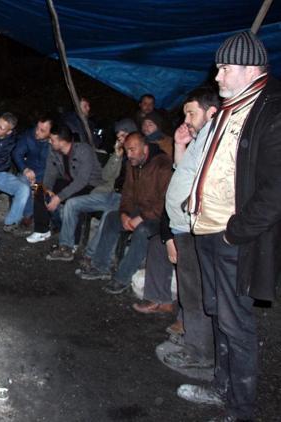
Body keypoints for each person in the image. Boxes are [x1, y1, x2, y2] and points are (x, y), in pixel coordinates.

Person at [178, 31, 281, 421]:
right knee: (218, 312)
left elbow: (275, 189)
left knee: (236, 323)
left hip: (233, 237)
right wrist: (195, 202)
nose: (217, 76)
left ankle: (241, 410)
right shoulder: (229, 108)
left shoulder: (272, 109)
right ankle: (222, 386)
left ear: (251, 68)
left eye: (225, 68)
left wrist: (236, 231)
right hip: (206, 229)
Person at [154, 87, 219, 371]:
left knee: (194, 292)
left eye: (192, 113)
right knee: (190, 290)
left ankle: (200, 354)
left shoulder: (214, 139)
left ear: (211, 112)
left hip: (196, 229)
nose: (187, 120)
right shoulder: (200, 138)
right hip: (183, 228)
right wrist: (180, 146)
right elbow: (185, 173)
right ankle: (196, 341)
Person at [77, 133, 172, 295]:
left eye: (133, 150)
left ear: (145, 148)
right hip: (139, 210)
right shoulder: (132, 164)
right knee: (112, 218)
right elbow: (127, 193)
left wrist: (141, 218)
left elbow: (165, 202)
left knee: (142, 231)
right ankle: (101, 266)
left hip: (160, 216)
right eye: (127, 151)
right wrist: (124, 213)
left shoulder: (163, 165)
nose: (129, 155)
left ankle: (123, 277)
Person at [45, 119, 133, 260]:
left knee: (108, 216)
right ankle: (66, 247)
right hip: (107, 194)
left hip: (124, 199)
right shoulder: (121, 154)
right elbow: (106, 176)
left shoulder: (139, 158)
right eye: (119, 136)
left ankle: (91, 256)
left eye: (124, 135)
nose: (121, 139)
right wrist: (116, 156)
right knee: (71, 203)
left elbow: (83, 180)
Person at [25, 123, 104, 244]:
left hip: (90, 185)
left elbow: (82, 181)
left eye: (52, 140)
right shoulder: (54, 151)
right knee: (38, 188)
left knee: (74, 201)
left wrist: (59, 197)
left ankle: (73, 242)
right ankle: (42, 230)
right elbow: (50, 173)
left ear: (62, 142)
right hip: (69, 181)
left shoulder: (84, 150)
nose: (49, 142)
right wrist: (48, 189)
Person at [12, 114, 53, 228]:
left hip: (47, 174)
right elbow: (17, 153)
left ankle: (51, 220)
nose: (37, 132)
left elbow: (55, 166)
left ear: (50, 133)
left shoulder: (56, 141)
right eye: (37, 128)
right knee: (24, 183)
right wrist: (25, 169)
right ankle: (27, 216)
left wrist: (37, 176)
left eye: (42, 130)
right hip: (29, 171)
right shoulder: (29, 135)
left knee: (39, 187)